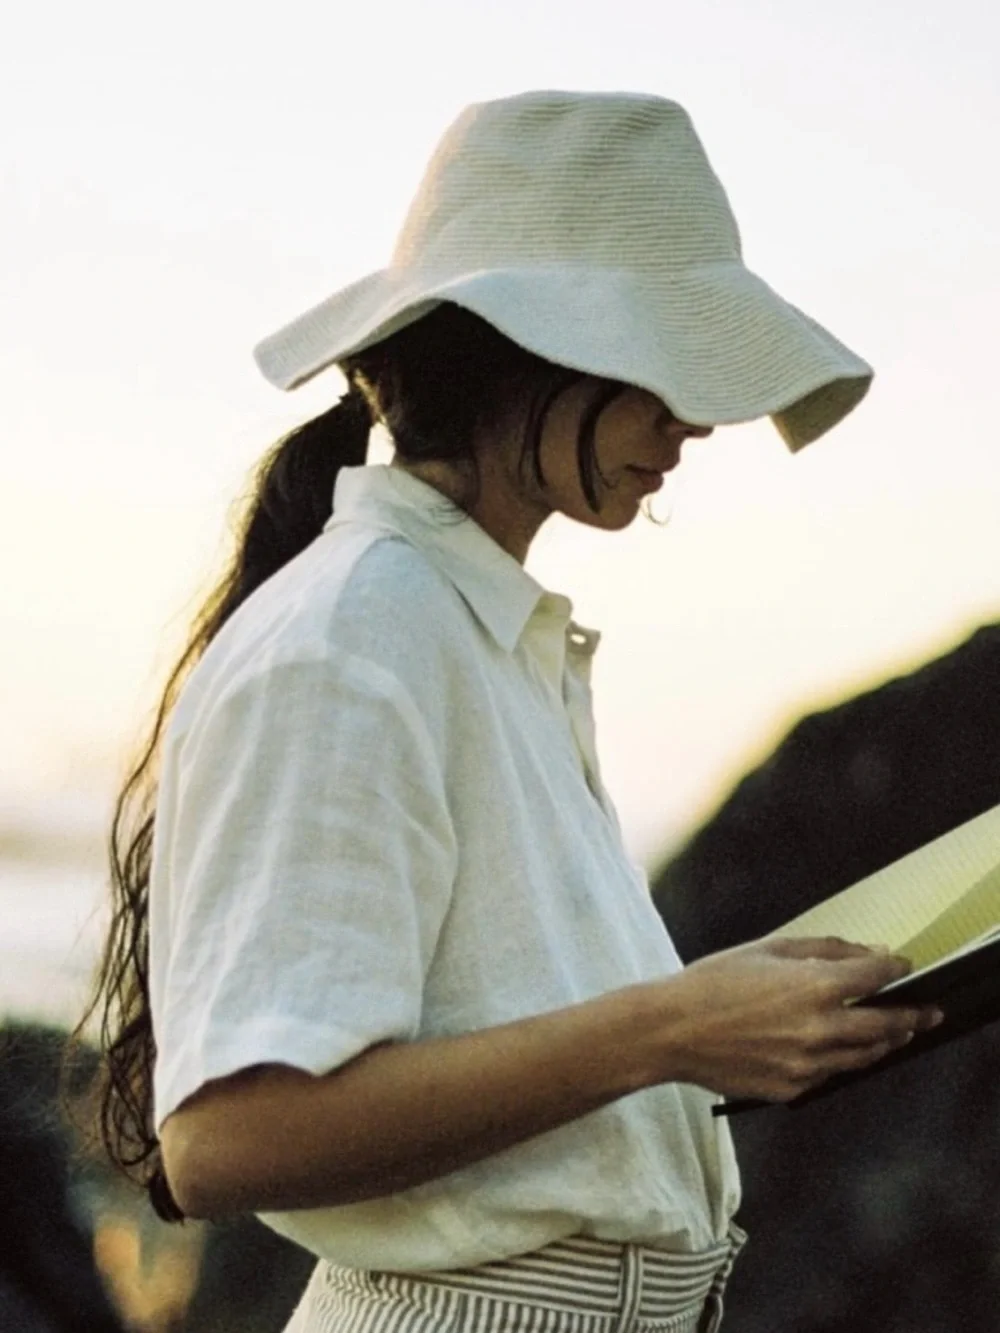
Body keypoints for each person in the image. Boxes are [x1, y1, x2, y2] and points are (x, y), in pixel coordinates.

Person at [78, 90, 943, 1333]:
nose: (695, 419)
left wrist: (719, 1019)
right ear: (516, 349)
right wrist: (671, 1027)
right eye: (663, 360)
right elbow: (227, 1139)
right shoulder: (353, 640)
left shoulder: (469, 632)